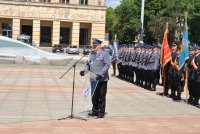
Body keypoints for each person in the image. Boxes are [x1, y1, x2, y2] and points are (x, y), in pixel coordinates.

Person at [80, 38, 111, 118]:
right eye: (93, 45)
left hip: (102, 79)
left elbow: (107, 65)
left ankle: (101, 112)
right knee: (94, 96)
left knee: (101, 96)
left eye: (95, 45)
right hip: (93, 78)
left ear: (99, 46)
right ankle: (95, 110)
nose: (94, 46)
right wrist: (84, 71)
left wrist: (101, 74)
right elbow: (88, 64)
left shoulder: (105, 54)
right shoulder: (91, 54)